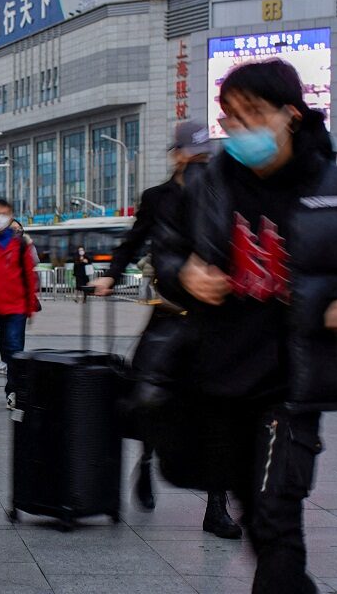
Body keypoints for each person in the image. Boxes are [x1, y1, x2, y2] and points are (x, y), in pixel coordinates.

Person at [155, 59, 337, 594]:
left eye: (255, 113)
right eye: (231, 116)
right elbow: (167, 252)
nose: (241, 128)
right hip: (219, 375)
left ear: (291, 114)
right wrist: (186, 273)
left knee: (275, 512)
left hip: (294, 380)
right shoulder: (207, 184)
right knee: (254, 512)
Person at [91, 121, 242, 538]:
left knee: (217, 411)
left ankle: (217, 508)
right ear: (176, 154)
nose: (198, 164)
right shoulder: (157, 198)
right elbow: (134, 241)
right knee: (150, 397)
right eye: (191, 156)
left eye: (204, 157)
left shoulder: (226, 193)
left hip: (217, 320)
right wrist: (110, 275)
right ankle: (148, 460)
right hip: (170, 314)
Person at [0, 199, 38, 407]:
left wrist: (30, 307)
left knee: (14, 351)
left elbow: (29, 276)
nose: (0, 217)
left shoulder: (20, 243)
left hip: (15, 308)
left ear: (12, 215)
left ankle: (13, 392)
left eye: (5, 213)